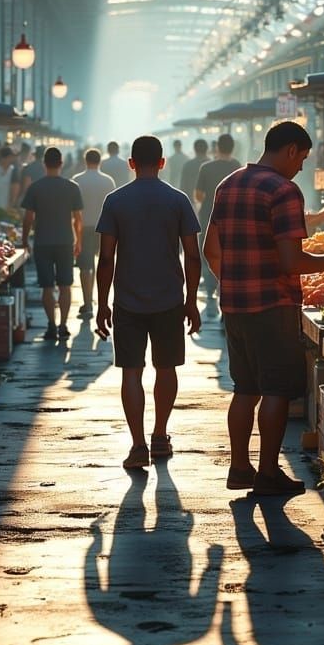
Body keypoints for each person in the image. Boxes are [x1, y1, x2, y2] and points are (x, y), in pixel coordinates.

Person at [203, 122, 324, 496]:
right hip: (273, 305)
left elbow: (210, 251)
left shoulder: (227, 185)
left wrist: (232, 281)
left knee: (245, 388)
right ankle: (266, 473)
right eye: (303, 158)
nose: (301, 168)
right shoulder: (283, 190)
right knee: (277, 388)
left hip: (235, 304)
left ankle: (239, 467)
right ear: (291, 150)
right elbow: (291, 260)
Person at [96, 135, 201, 469]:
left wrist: (102, 303)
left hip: (127, 300)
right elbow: (193, 256)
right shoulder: (178, 200)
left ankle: (138, 444)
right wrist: (192, 300)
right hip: (170, 298)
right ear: (162, 162)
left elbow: (106, 258)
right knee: (166, 367)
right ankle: (159, 435)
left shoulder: (115, 201)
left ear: (130, 163)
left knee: (131, 371)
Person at [21, 147, 83, 341]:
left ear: (44, 164)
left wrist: (24, 240)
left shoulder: (36, 188)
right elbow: (78, 218)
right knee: (65, 285)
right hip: (65, 241)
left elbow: (28, 217)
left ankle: (50, 326)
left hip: (43, 242)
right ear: (61, 163)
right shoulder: (72, 187)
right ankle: (63, 325)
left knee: (47, 286)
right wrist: (78, 240)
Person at [195, 133, 241, 315]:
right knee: (229, 255)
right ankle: (226, 291)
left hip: (209, 215)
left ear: (217, 148)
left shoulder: (206, 167)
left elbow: (198, 195)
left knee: (208, 252)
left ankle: (210, 292)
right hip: (233, 217)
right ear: (232, 148)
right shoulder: (237, 167)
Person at [72, 149, 115, 319]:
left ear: (85, 160)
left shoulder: (77, 180)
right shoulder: (108, 181)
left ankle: (87, 302)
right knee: (103, 264)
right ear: (100, 161)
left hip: (83, 226)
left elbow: (74, 211)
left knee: (85, 266)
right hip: (104, 227)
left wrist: (75, 234)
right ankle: (102, 300)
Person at [179, 138, 209, 207]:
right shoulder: (212, 165)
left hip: (190, 204)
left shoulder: (188, 165)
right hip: (209, 205)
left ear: (195, 150)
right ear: (207, 149)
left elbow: (183, 186)